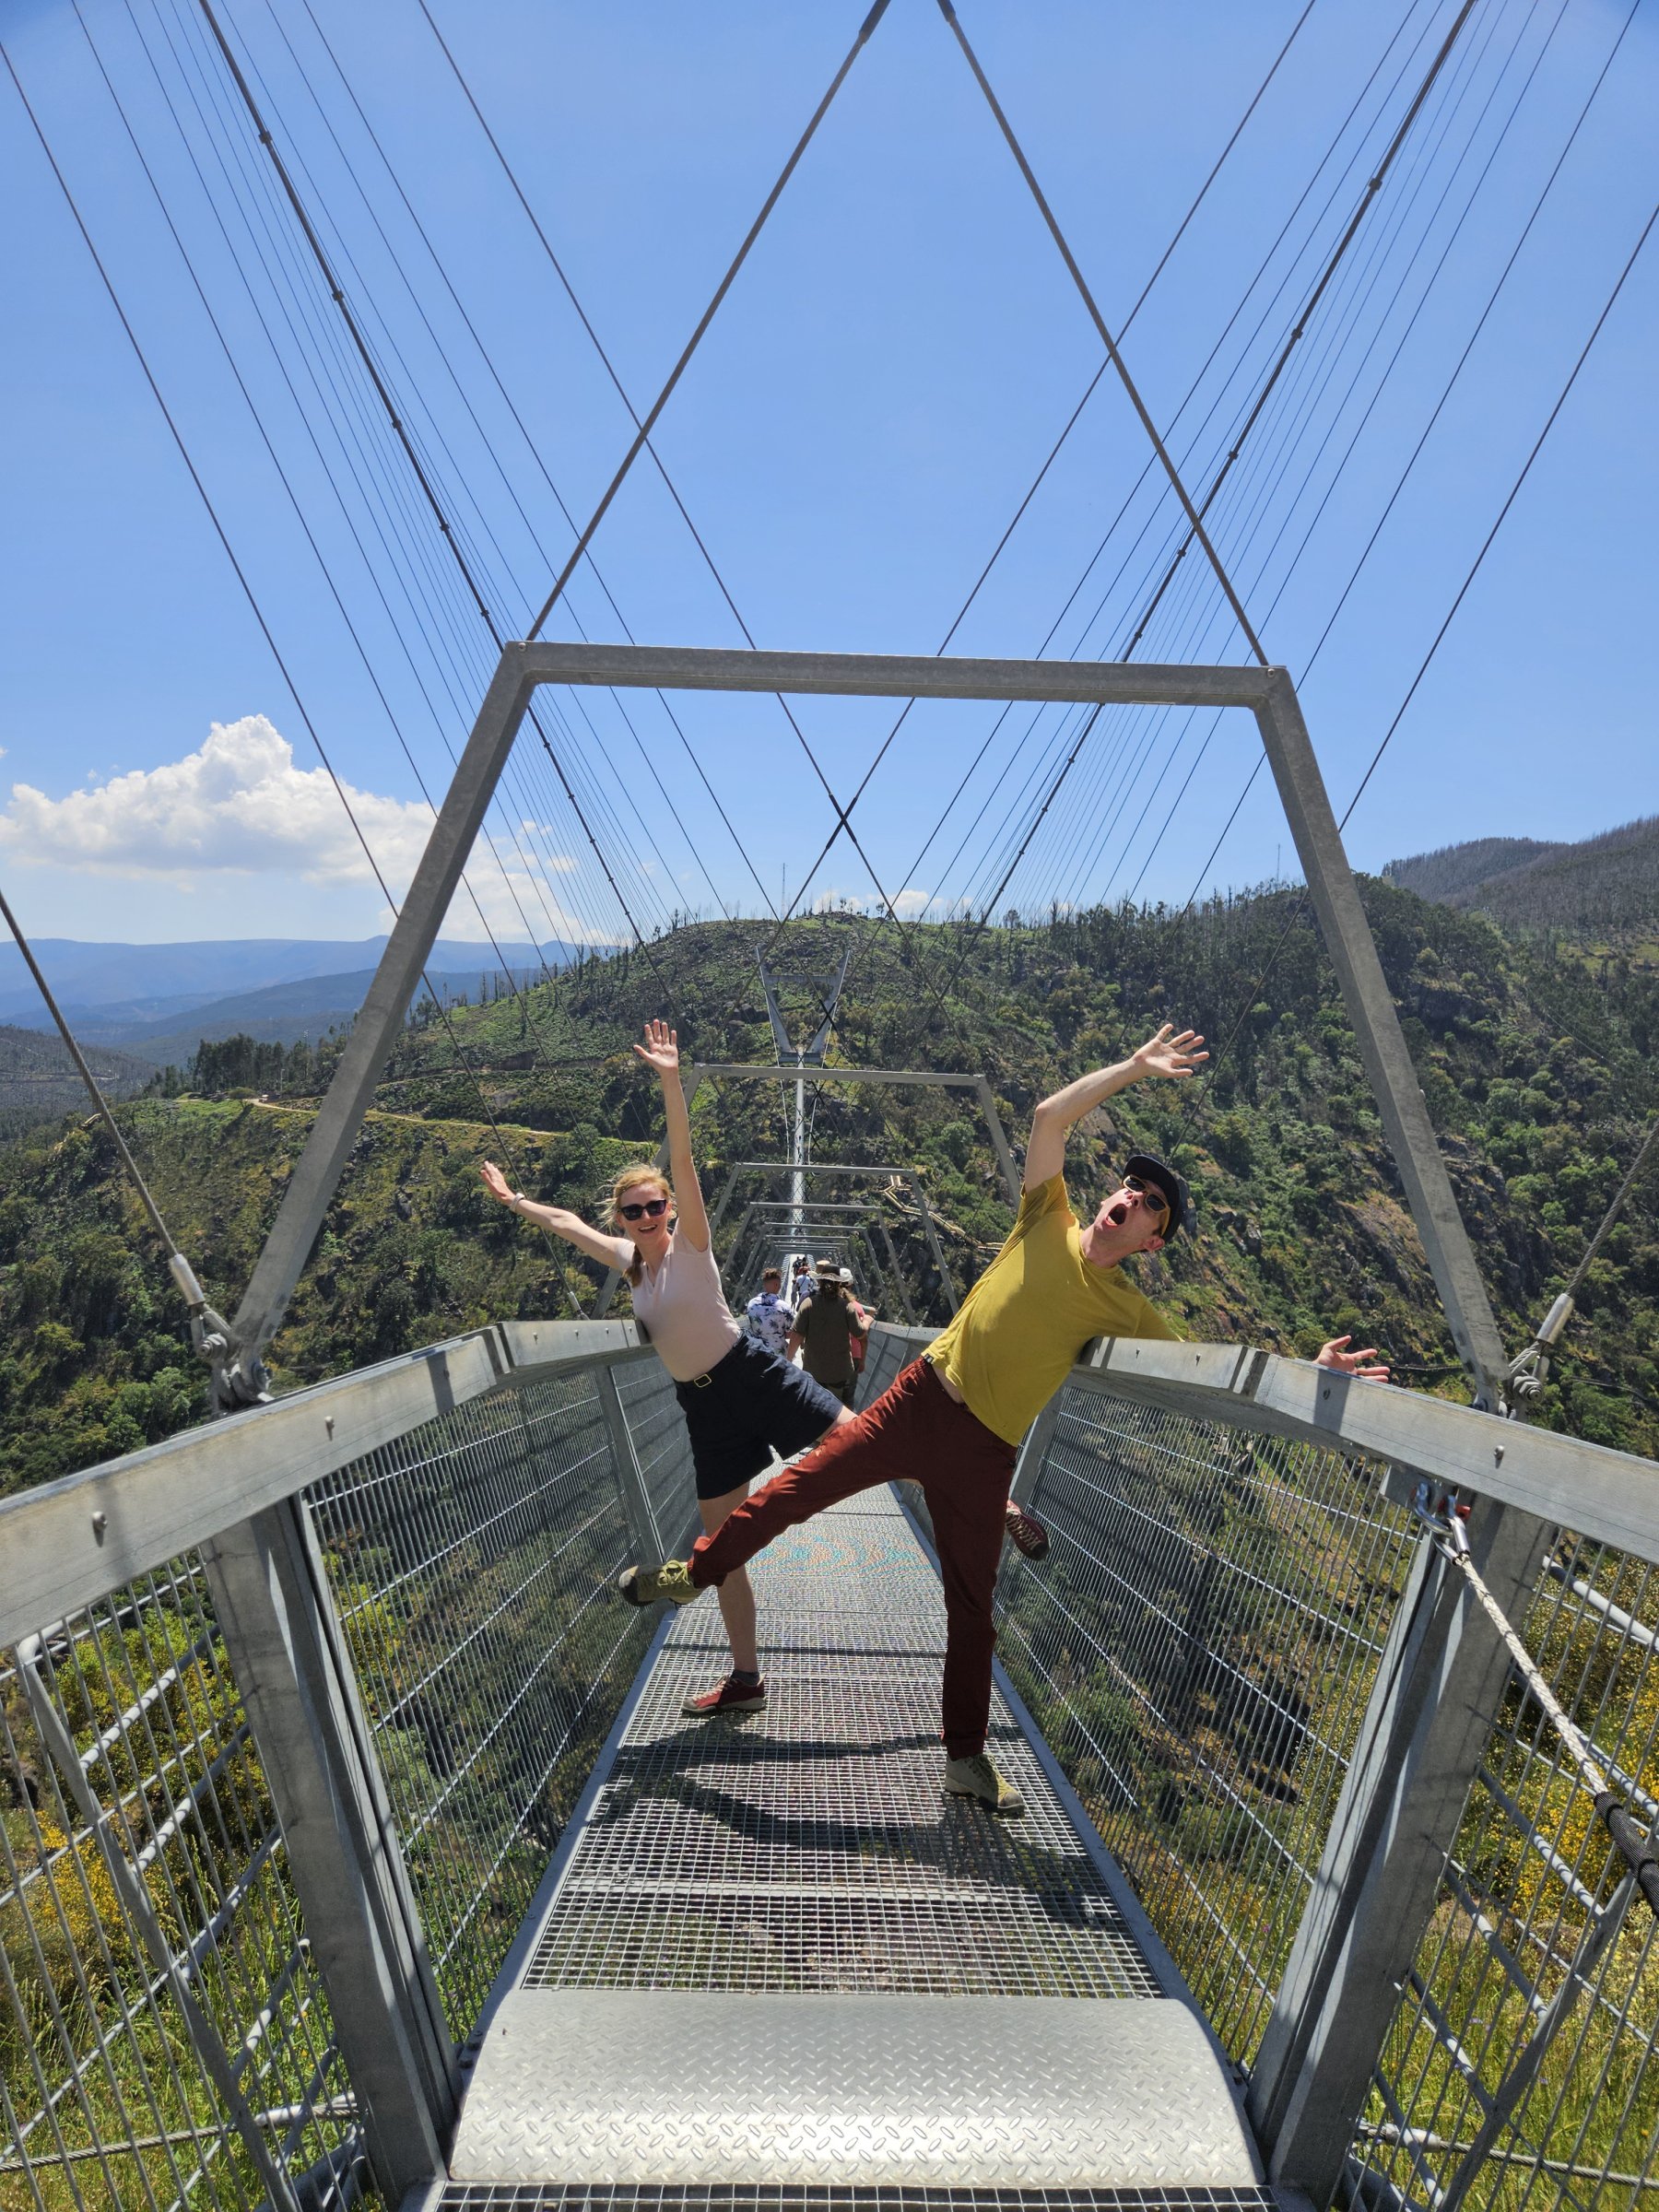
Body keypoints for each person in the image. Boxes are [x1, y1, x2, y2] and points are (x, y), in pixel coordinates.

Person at [618, 1023, 1389, 1812]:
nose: (1134, 1197)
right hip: (919, 1399)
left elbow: (1208, 1377)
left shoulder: (1126, 1308)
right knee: (795, 1491)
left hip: (986, 1453)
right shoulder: (1047, 1216)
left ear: (1153, 1242)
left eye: (1153, 1205)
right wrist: (1133, 1066)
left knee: (972, 1612)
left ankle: (965, 1760)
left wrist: (1306, 1372)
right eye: (1132, 1186)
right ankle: (692, 1575)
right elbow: (1050, 1117)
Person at [482, 1020, 853, 1718]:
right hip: (703, 1408)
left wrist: (672, 1081)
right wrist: (513, 1201)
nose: (648, 1215)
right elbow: (567, 1223)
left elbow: (682, 1159)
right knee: (721, 1548)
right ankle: (746, 1681)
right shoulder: (630, 1264)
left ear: (671, 1210)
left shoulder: (693, 1245)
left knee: (864, 1440)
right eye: (635, 1210)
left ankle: (989, 1501)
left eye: (656, 1206)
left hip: (751, 1373)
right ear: (623, 1219)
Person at [788, 1258, 870, 1408]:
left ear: (820, 1282)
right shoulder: (847, 1307)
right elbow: (860, 1333)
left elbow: (796, 1335)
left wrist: (788, 1362)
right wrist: (867, 1321)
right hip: (839, 1373)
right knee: (834, 1408)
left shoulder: (808, 1304)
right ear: (839, 1284)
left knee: (814, 1408)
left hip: (814, 1371)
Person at [745, 1266, 796, 1359]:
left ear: (764, 1284)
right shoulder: (784, 1307)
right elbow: (791, 1333)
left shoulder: (751, 1304)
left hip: (756, 1352)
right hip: (778, 1354)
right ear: (777, 1285)